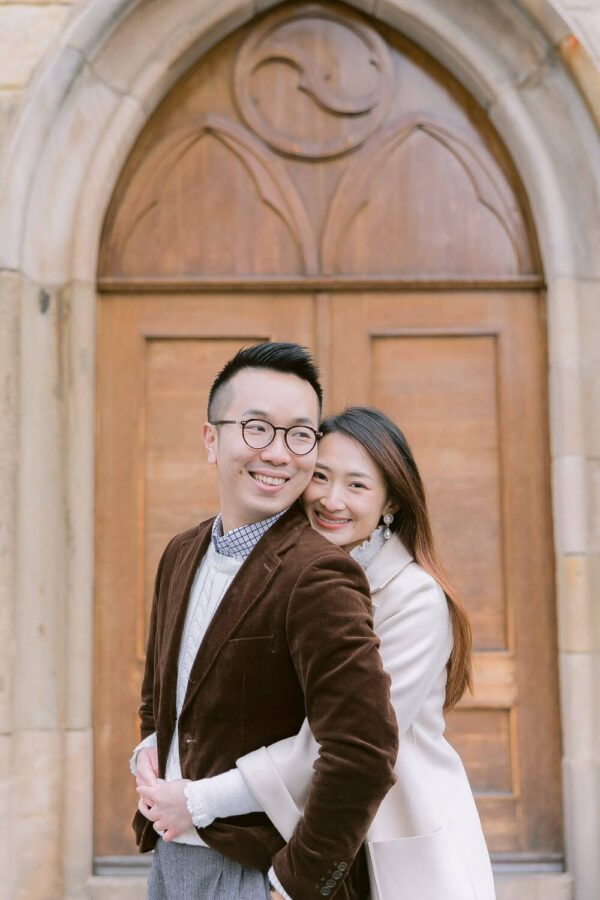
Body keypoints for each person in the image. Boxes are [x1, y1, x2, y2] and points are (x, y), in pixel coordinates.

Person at [149, 406, 497, 900]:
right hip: (301, 832)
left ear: (391, 500)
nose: (332, 500)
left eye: (357, 485)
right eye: (321, 477)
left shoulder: (415, 599)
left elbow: (345, 740)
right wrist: (153, 751)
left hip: (394, 830)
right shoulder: (291, 573)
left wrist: (201, 799)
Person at [131, 345, 399, 900]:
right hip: (172, 857)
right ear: (212, 438)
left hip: (259, 870)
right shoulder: (181, 552)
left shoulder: (318, 573)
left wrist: (295, 884)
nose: (278, 453)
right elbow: (161, 696)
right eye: (257, 429)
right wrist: (149, 751)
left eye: (300, 435)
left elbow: (363, 752)